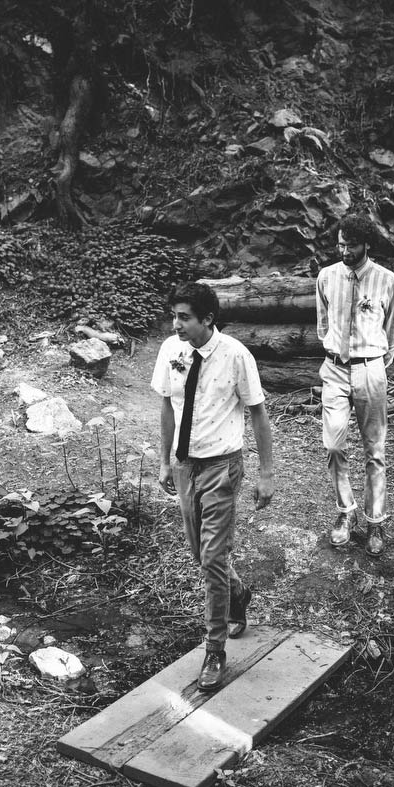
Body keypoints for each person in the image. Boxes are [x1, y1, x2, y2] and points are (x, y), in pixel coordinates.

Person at [151, 281, 274, 693]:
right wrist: (165, 460)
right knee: (203, 556)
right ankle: (236, 591)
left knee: (211, 558)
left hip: (222, 466)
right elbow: (167, 405)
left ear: (208, 319)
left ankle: (214, 650)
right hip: (186, 465)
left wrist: (266, 472)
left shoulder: (236, 356)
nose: (176, 324)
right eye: (174, 316)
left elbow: (258, 414)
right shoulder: (171, 350)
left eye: (184, 317)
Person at [316, 213, 394, 557]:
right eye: (340, 243)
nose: (344, 250)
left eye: (350, 244)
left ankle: (375, 520)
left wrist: (372, 364)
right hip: (334, 369)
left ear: (366, 244)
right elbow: (322, 325)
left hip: (371, 369)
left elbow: (393, 334)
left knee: (375, 450)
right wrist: (337, 355)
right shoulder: (326, 277)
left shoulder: (387, 281)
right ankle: (345, 513)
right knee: (334, 444)